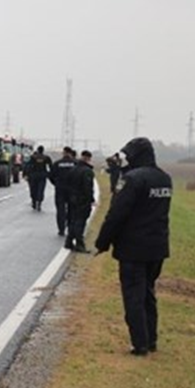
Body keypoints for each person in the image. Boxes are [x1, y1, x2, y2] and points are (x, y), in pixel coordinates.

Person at [94, 137, 172, 356]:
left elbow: (117, 214)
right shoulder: (165, 179)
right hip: (157, 247)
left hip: (134, 248)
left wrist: (103, 242)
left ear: (136, 155)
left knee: (133, 296)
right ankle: (151, 339)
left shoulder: (132, 179)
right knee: (148, 293)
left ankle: (140, 344)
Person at [66, 150, 96, 252]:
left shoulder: (73, 169)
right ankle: (79, 244)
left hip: (72, 198)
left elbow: (68, 184)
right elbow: (88, 187)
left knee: (73, 220)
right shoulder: (87, 171)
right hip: (82, 200)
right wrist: (91, 199)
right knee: (80, 221)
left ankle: (69, 241)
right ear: (88, 158)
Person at [48, 147, 77, 236]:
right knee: (72, 209)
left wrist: (56, 184)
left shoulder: (57, 163)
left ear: (64, 153)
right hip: (73, 190)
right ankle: (70, 227)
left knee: (60, 209)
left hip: (60, 189)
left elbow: (51, 176)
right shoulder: (76, 163)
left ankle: (61, 229)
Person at [25, 145, 51, 211]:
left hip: (33, 175)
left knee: (33, 189)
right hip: (42, 176)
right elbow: (50, 167)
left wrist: (26, 174)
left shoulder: (33, 157)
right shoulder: (46, 158)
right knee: (41, 189)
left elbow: (28, 166)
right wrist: (49, 174)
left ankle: (34, 202)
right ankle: (39, 203)